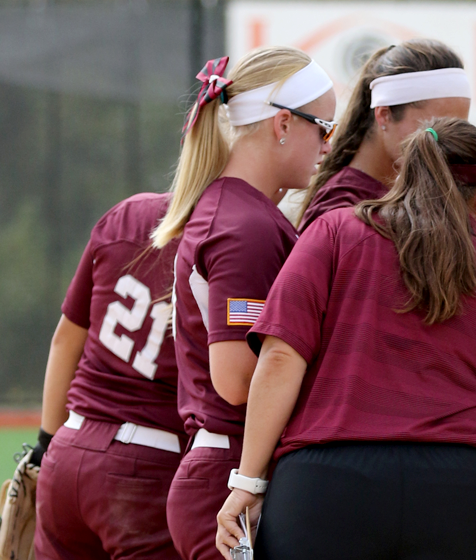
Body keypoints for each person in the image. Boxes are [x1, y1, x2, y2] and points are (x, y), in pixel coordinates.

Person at [216, 117, 476, 560]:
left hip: (324, 489)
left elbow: (278, 360)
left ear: (402, 178)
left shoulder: (331, 234)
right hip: (454, 497)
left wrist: (249, 484)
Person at [150, 47, 336, 559]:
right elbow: (235, 379)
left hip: (227, 464)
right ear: (282, 124)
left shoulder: (242, 211)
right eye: (324, 128)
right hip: (231, 469)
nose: (328, 146)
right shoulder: (245, 227)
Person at [32, 193, 182, 560]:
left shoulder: (128, 213)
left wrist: (43, 446)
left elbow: (66, 338)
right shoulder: (234, 228)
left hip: (69, 447)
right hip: (148, 460)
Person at [297, 39, 472, 232]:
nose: (451, 144)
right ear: (384, 115)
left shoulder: (415, 199)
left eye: (459, 130)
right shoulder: (338, 211)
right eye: (434, 129)